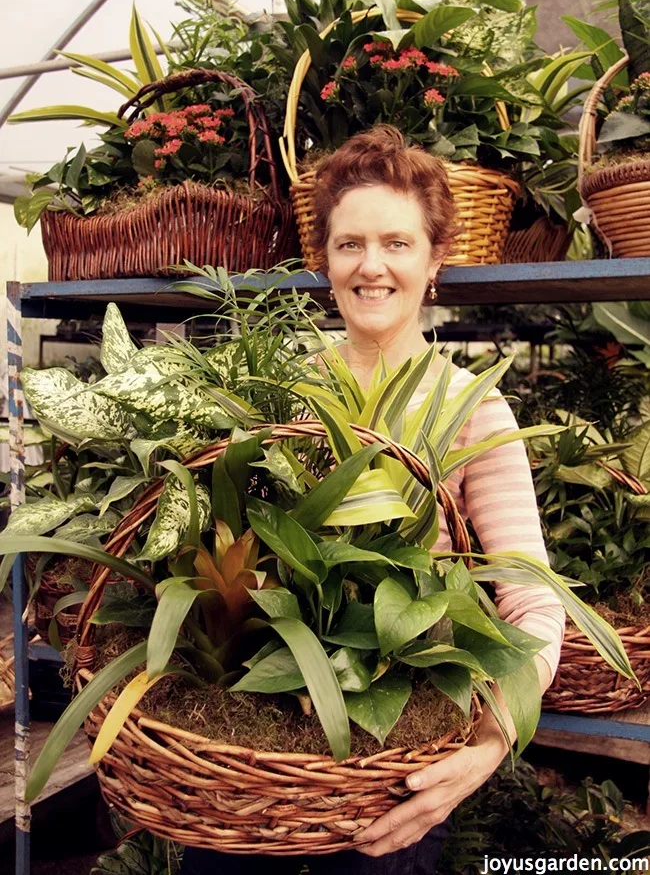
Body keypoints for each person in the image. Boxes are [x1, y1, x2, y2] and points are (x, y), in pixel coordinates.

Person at [180, 125, 565, 874]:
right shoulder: (280, 391)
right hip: (257, 759)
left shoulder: (473, 409)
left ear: (435, 261)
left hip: (396, 774)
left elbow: (533, 602)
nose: (372, 265)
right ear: (323, 262)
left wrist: (489, 744)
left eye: (397, 242)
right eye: (349, 244)